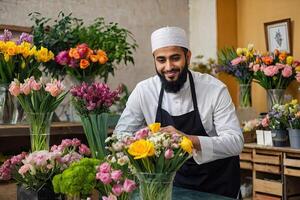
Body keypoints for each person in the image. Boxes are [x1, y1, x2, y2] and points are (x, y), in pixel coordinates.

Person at [115, 26, 244, 199]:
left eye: (175, 58)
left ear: (188, 57)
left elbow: (235, 142)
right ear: (154, 60)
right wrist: (147, 144)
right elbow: (120, 136)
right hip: (174, 187)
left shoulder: (214, 89)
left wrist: (187, 140)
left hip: (218, 187)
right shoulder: (144, 91)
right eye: (161, 60)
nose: (168, 67)